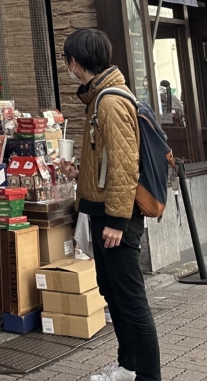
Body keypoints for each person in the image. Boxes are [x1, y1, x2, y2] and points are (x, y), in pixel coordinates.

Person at [64, 28, 160, 381]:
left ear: (75, 62)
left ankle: (147, 375)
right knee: (114, 293)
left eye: (68, 61)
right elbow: (106, 160)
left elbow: (124, 163)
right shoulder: (99, 98)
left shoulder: (109, 100)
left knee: (131, 299)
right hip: (103, 210)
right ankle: (127, 365)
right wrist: (78, 171)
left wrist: (118, 221)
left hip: (115, 215)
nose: (69, 68)